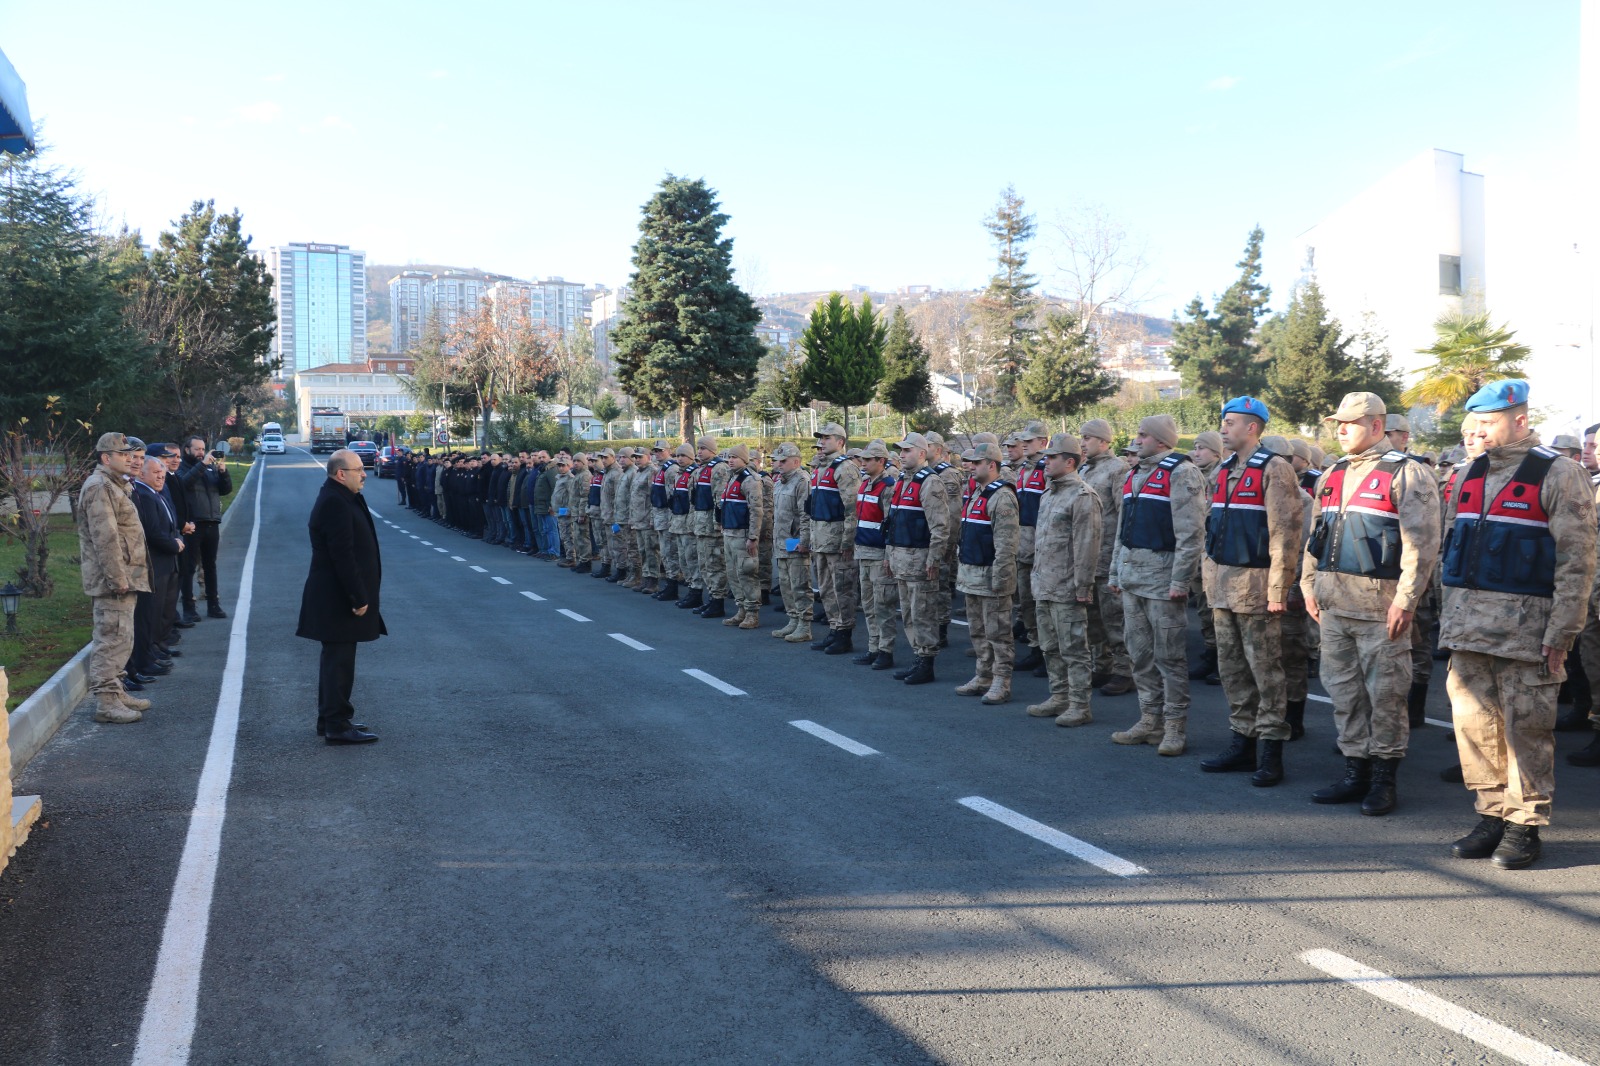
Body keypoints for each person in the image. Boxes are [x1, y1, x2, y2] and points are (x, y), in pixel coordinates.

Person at [1438, 380, 1596, 868]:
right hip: (1468, 631)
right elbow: (1452, 550)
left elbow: (1578, 561)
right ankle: (1491, 812)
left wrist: (1563, 632)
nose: (1476, 432)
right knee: (1474, 727)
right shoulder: (1468, 474)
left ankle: (1524, 824)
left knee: (1526, 731)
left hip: (1528, 634)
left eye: (1487, 423)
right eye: (1473, 423)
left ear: (1520, 420)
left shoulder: (1559, 473)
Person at [1302, 393, 1442, 816]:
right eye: (1337, 423)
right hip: (1333, 606)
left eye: (1351, 422)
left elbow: (1422, 545)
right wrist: (1308, 584)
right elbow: (1316, 537)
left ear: (1377, 426)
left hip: (1380, 610)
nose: (1341, 429)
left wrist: (1406, 600)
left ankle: (1384, 779)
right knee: (1343, 693)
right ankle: (1354, 771)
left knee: (1385, 696)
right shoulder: (1332, 474)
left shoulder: (1407, 473)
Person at [1200, 396, 1304, 786]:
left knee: (1266, 672)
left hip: (1257, 589)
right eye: (1223, 422)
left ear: (1252, 428)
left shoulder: (1274, 468)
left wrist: (1278, 590)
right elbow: (1210, 530)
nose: (1223, 429)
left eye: (1231, 423)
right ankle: (1242, 743)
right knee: (1232, 670)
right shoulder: (1224, 469)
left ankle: (1271, 751)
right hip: (1223, 587)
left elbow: (1285, 535)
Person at [1107, 415, 1207, 754]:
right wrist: (1115, 573)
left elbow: (1191, 533)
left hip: (1163, 583)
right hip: (1133, 580)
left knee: (1169, 658)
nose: (1136, 440)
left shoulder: (1182, 472)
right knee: (1140, 655)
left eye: (1142, 434)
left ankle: (1175, 726)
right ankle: (1150, 720)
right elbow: (1123, 530)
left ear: (1162, 441)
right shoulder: (1135, 473)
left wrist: (1181, 580)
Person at [297, 449, 385, 745]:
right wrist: (358, 597)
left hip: (337, 597)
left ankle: (332, 718)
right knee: (339, 662)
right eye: (359, 469)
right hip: (338, 599)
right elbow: (342, 556)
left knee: (337, 660)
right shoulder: (335, 502)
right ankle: (336, 725)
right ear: (340, 474)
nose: (365, 474)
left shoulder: (342, 496)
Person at [1026, 434, 1103, 726]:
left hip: (1067, 586)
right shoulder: (1049, 494)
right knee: (1049, 646)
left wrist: (1083, 586)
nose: (1045, 461)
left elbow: (1087, 545)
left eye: (1052, 457)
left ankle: (1080, 704)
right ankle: (1059, 696)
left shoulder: (1083, 496)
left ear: (1069, 461)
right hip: (1045, 583)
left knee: (1073, 648)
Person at [79, 433, 153, 724]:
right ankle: (106, 702)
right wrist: (116, 578)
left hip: (126, 577)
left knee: (123, 637)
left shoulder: (114, 485)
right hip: (113, 581)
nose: (130, 458)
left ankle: (117, 691)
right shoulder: (99, 487)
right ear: (105, 458)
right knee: (111, 639)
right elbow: (105, 538)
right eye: (123, 455)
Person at [954, 442, 1021, 705]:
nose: (970, 466)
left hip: (991, 577)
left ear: (991, 465)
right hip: (972, 574)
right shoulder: (977, 493)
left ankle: (1001, 681)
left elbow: (1006, 544)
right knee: (978, 631)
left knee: (998, 633)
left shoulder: (1002, 496)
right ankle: (983, 675)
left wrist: (1001, 579)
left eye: (976, 462)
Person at [885, 433, 953, 683]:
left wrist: (934, 560)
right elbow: (892, 523)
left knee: (922, 613)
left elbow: (940, 527)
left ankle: (927, 662)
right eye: (900, 451)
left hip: (920, 561)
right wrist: (888, 554)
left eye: (907, 451)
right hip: (902, 560)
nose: (901, 455)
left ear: (922, 454)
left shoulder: (930, 482)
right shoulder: (902, 481)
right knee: (909, 614)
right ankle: (918, 657)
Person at [1078, 419, 1135, 695]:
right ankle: (1101, 665)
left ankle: (1125, 670)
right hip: (1086, 558)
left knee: (1115, 618)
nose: (1083, 443)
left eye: (1087, 438)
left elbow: (1124, 514)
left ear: (1103, 441)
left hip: (1107, 556)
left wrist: (1119, 557)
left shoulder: (1118, 469)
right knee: (1092, 619)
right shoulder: (1084, 469)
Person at [806, 423, 861, 654]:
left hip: (837, 540)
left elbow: (852, 510)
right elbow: (813, 508)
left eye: (827, 438)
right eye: (821, 438)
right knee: (826, 589)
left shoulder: (845, 468)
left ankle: (844, 633)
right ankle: (834, 627)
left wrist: (848, 542)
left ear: (840, 441)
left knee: (843, 589)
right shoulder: (820, 468)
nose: (822, 442)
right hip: (820, 539)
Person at [130, 454, 184, 685]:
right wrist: (173, 543)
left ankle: (153, 652)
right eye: (156, 473)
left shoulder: (156, 493)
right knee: (148, 615)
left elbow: (171, 521)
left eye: (162, 474)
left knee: (162, 610)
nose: (161, 477)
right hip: (154, 562)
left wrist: (178, 537)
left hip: (167, 561)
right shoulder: (142, 494)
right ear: (142, 473)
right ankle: (145, 658)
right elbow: (152, 532)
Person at [850, 440, 899, 665]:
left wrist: (889, 556)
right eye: (863, 459)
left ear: (881, 461)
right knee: (869, 604)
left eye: (869, 459)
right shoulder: (865, 484)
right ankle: (873, 647)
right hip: (863, 551)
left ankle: (885, 650)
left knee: (883, 606)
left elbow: (891, 525)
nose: (864, 463)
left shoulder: (888, 487)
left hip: (879, 554)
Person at [176, 434, 233, 621]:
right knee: (188, 567)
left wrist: (223, 472)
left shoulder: (209, 469)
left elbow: (225, 490)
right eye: (197, 449)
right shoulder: (182, 468)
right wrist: (203, 465)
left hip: (212, 522)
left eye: (203, 449)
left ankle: (213, 605)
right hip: (192, 524)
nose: (201, 453)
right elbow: (185, 484)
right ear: (187, 450)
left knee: (210, 566)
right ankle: (189, 608)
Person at [1187, 430, 1226, 683]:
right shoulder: (1194, 476)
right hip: (1196, 554)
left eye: (1202, 448)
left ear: (1215, 452)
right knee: (1203, 608)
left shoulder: (1222, 476)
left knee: (1218, 611)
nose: (1197, 453)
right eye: (1195, 448)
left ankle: (1223, 659)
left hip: (1216, 556)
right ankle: (1210, 653)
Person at [718, 444, 766, 629]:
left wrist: (753, 537)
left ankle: (752, 613)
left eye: (734, 457)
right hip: (729, 533)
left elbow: (756, 511)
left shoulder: (750, 480)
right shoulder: (732, 478)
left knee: (747, 573)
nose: (730, 460)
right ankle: (741, 609)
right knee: (733, 574)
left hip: (742, 535)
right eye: (729, 457)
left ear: (744, 460)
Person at [689, 437, 731, 617]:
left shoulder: (719, 468)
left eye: (703, 448)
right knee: (705, 564)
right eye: (698, 448)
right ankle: (711, 598)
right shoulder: (702, 469)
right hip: (701, 525)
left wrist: (717, 524)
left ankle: (718, 602)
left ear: (713, 450)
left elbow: (719, 500)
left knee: (715, 565)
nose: (699, 451)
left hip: (711, 527)